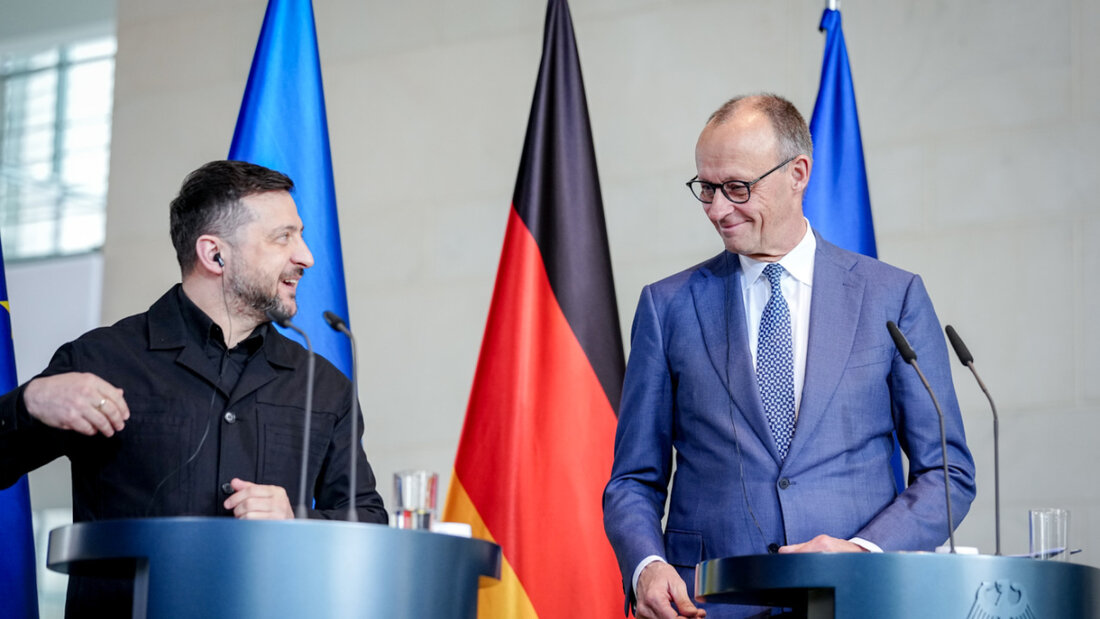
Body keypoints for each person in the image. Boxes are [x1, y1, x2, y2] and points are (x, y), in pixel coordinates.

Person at [602, 94, 976, 619]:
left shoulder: (892, 297)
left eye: (737, 188)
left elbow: (948, 472)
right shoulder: (668, 307)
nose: (718, 210)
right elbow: (633, 479)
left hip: (854, 600)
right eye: (706, 188)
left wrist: (863, 552)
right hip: (708, 602)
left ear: (798, 173)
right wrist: (646, 564)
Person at [0, 160, 387, 615]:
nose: (306, 256)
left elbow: (368, 520)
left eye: (299, 235)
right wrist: (28, 402)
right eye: (283, 237)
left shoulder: (323, 385)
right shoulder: (101, 359)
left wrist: (296, 519)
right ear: (214, 254)